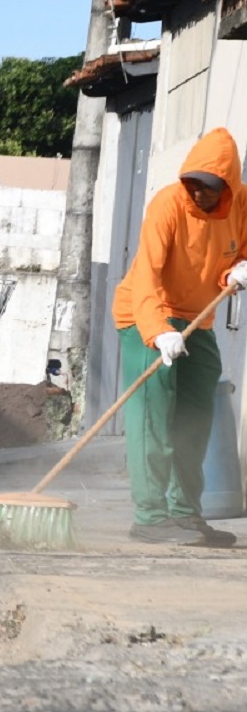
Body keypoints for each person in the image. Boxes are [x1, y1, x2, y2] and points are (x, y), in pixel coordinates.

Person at [112, 129, 247, 547]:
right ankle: (150, 517)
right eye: (193, 183)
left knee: (193, 420)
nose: (198, 194)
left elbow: (239, 250)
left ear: (227, 186)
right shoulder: (168, 205)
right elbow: (148, 278)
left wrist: (236, 270)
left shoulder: (241, 204)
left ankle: (185, 514)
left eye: (209, 187)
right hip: (144, 317)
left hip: (197, 321)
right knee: (153, 418)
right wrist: (157, 332)